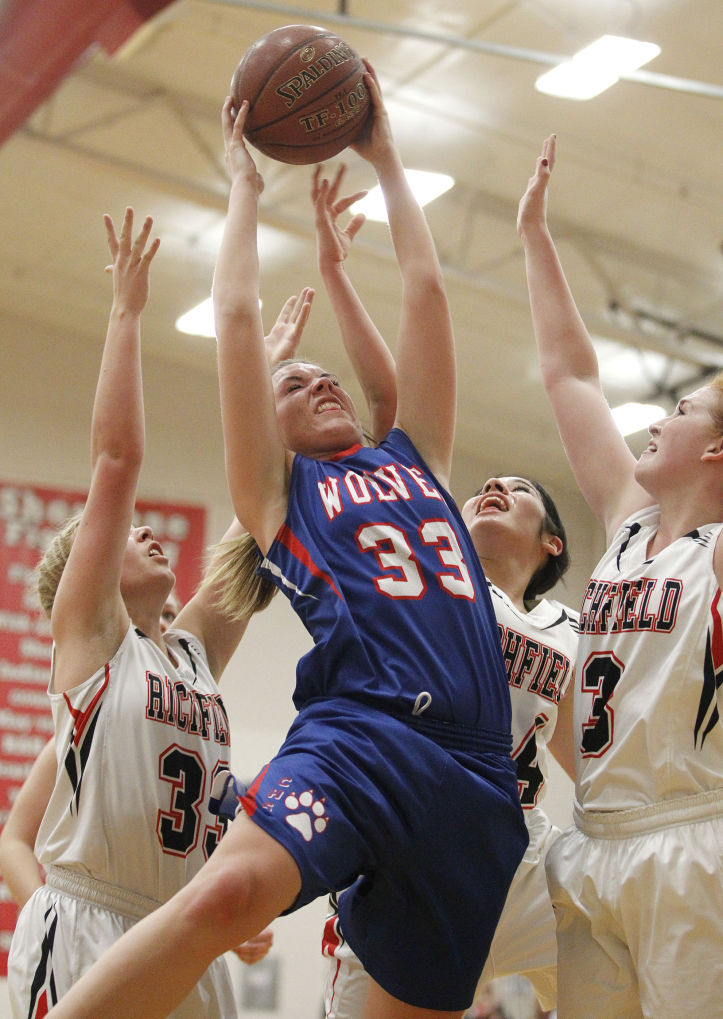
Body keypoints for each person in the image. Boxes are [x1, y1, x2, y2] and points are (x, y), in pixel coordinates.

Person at [45, 63, 528, 1019]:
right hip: (357, 736)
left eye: (325, 374)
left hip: (474, 772)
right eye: (292, 382)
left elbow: (427, 289)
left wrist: (387, 158)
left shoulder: (416, 457)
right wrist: (241, 184)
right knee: (223, 893)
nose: (318, 381)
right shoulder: (280, 493)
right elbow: (231, 319)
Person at [7, 209, 307, 1016]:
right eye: (119, 535)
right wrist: (126, 314)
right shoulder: (95, 646)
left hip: (179, 931)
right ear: (88, 575)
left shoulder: (192, 650)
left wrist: (264, 380)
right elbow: (115, 461)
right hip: (83, 926)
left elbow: (262, 515)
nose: (142, 529)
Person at [305, 161, 577, 1018]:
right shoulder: (434, 568)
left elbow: (595, 764)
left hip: (521, 850)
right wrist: (337, 275)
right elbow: (393, 397)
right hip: (420, 840)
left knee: (641, 938)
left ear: (552, 542)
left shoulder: (572, 631)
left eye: (517, 490)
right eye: (481, 483)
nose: (491, 488)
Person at [517, 135, 723, 1018]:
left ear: (715, 449)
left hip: (694, 837)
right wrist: (533, 235)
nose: (652, 424)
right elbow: (569, 373)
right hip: (594, 839)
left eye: (676, 412)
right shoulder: (624, 524)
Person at [0, 591, 273, 968]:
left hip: (176, 937)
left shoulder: (196, 722)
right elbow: (13, 841)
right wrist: (49, 920)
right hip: (95, 932)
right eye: (155, 613)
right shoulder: (92, 727)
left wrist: (226, 919)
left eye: (171, 615)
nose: (163, 623)